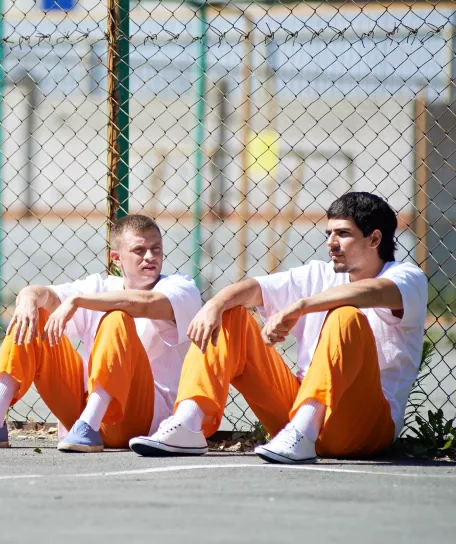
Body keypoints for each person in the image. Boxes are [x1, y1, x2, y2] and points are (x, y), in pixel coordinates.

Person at [130, 192, 427, 463]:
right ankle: (189, 423)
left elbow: (371, 293)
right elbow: (253, 287)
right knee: (231, 314)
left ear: (374, 240)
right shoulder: (318, 273)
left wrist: (300, 306)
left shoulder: (407, 277)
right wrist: (215, 304)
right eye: (329, 233)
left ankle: (304, 429)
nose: (331, 243)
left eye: (343, 234)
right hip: (292, 414)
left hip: (361, 425)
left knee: (344, 316)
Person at [0, 214, 202, 452]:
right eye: (139, 250)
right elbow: (46, 295)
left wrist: (79, 302)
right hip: (82, 415)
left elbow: (139, 303)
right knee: (37, 314)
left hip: (142, 421)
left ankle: (90, 423)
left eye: (156, 250)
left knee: (117, 316)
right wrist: (28, 297)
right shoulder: (99, 284)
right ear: (117, 259)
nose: (150, 257)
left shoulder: (180, 287)